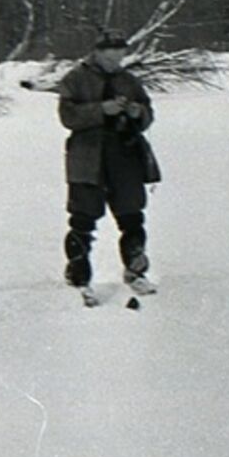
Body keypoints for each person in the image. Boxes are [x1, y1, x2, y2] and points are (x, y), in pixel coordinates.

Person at [58, 30, 160, 300]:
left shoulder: (130, 81)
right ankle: (78, 275)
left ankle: (135, 271)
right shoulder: (75, 79)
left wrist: (139, 113)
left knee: (132, 215)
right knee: (83, 217)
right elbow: (67, 116)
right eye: (110, 53)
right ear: (97, 53)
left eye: (121, 52)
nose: (116, 58)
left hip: (125, 156)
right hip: (87, 156)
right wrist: (101, 110)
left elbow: (148, 113)